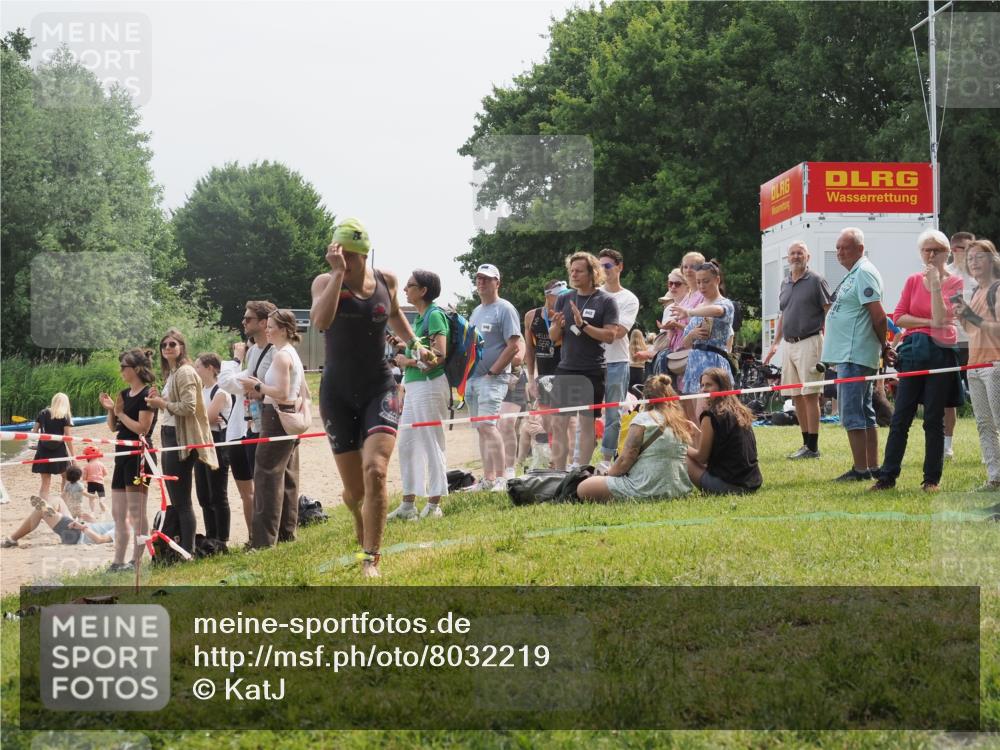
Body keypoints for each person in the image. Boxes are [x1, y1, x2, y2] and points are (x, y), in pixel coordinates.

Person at [310, 218, 427, 577]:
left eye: (351, 256)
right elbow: (319, 321)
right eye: (339, 254)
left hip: (380, 386)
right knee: (354, 492)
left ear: (365, 254)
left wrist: (416, 343)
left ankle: (370, 558)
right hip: (337, 392)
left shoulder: (386, 281)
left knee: (375, 471)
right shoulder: (325, 282)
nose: (345, 261)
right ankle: (360, 522)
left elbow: (394, 316)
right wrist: (336, 275)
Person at [871, 230, 964, 492]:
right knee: (901, 417)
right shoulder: (912, 280)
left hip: (941, 352)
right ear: (921, 253)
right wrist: (926, 323)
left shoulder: (955, 283)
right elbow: (899, 317)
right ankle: (887, 477)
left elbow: (944, 316)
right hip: (913, 353)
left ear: (947, 253)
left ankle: (931, 479)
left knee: (933, 419)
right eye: (927, 250)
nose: (931, 254)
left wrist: (935, 286)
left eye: (936, 249)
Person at [820, 227, 889, 482]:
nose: (839, 252)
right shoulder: (855, 273)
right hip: (851, 353)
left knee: (852, 412)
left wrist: (884, 345)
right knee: (865, 410)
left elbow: (879, 316)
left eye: (845, 247)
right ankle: (870, 466)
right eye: (837, 247)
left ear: (860, 248)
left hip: (855, 354)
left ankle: (861, 470)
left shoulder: (864, 273)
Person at [145, 328, 218, 555]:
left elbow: (189, 408)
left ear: (181, 347)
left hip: (180, 437)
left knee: (182, 500)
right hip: (170, 435)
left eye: (172, 344)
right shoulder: (173, 373)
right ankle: (182, 547)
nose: (168, 348)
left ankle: (188, 550)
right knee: (177, 499)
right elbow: (175, 404)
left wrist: (162, 404)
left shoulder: (185, 372)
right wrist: (160, 399)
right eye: (164, 345)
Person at [239, 310, 306, 547]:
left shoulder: (281, 356)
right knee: (287, 476)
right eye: (266, 325)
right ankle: (287, 534)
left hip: (276, 417)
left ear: (285, 329)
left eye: (272, 326)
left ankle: (264, 541)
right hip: (286, 417)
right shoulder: (290, 353)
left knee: (266, 477)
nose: (267, 329)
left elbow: (281, 391)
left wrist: (256, 385)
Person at [387, 269, 450, 521]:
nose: (405, 289)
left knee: (431, 441)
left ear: (423, 291)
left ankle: (435, 504)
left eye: (410, 285)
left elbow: (440, 356)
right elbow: (422, 350)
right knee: (408, 443)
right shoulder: (420, 318)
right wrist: (404, 348)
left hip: (430, 385)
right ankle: (408, 504)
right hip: (415, 386)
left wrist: (406, 361)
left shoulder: (434, 315)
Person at [549, 252, 620, 470]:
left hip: (592, 370)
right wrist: (556, 326)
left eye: (579, 270)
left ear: (592, 273)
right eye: (571, 270)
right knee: (559, 423)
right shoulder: (564, 298)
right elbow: (554, 337)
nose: (574, 274)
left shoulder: (606, 300)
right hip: (566, 368)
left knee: (586, 424)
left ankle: (581, 471)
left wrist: (583, 325)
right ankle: (559, 473)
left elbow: (610, 335)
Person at [764, 241, 833, 459]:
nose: (795, 256)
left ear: (807, 257)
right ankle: (805, 445)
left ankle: (813, 447)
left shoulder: (816, 281)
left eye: (799, 253)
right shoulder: (785, 283)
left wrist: (830, 344)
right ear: (788, 258)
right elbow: (784, 315)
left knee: (810, 395)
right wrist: (776, 343)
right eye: (792, 253)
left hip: (810, 341)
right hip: (789, 344)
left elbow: (828, 312)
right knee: (796, 396)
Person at [576, 374, 694, 501]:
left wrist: (607, 475)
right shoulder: (680, 422)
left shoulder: (643, 419)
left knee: (584, 487)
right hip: (678, 490)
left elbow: (625, 460)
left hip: (646, 488)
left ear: (644, 397)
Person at [218, 300, 278, 536]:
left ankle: (267, 534)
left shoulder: (276, 352)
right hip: (244, 426)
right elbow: (237, 385)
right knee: (246, 490)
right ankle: (254, 536)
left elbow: (229, 382)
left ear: (264, 323)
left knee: (266, 486)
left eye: (248, 319)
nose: (243, 322)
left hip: (265, 425)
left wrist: (234, 360)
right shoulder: (253, 351)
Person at [98, 348, 157, 571]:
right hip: (122, 454)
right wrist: (112, 411)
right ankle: (117, 561)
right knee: (118, 512)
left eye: (124, 366)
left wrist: (121, 413)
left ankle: (137, 560)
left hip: (139, 456)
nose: (121, 370)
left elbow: (143, 429)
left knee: (136, 511)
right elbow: (114, 427)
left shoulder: (147, 395)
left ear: (136, 369)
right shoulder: (123, 394)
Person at [466, 263, 523, 490]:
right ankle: (488, 478)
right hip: (473, 378)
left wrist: (493, 372)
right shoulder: (475, 311)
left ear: (497, 283)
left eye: (487, 279)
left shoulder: (505, 309)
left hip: (493, 378)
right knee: (481, 428)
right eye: (479, 278)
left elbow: (513, 346)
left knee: (489, 426)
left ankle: (501, 478)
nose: (481, 282)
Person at [954, 239, 1000, 491]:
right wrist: (964, 316)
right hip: (975, 364)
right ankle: (995, 477)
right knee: (984, 424)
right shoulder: (976, 292)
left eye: (979, 257)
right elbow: (973, 330)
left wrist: (971, 316)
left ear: (991, 259)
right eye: (970, 259)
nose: (973, 263)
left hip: (995, 364)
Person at [671, 261, 735, 420]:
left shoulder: (725, 303)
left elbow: (717, 311)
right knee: (692, 417)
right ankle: (699, 445)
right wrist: (692, 334)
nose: (701, 286)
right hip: (693, 364)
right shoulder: (699, 306)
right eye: (698, 282)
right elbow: (685, 343)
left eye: (706, 281)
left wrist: (689, 312)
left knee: (710, 414)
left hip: (713, 363)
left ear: (717, 280)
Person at [597, 248, 641, 473]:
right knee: (586, 412)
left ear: (619, 267)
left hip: (617, 361)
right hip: (591, 362)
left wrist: (588, 328)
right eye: (600, 266)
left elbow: (619, 332)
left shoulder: (628, 298)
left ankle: (607, 460)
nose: (603, 270)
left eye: (607, 266)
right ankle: (581, 459)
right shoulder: (593, 294)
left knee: (613, 413)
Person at [686, 368, 763, 495]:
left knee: (683, 457)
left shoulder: (710, 415)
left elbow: (702, 457)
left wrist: (682, 447)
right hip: (751, 483)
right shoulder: (740, 411)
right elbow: (720, 444)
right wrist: (696, 432)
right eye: (702, 385)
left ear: (721, 387)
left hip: (730, 486)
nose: (704, 389)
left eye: (709, 385)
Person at [2, 465, 101, 547]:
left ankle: (12, 539)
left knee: (41, 508)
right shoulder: (113, 527)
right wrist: (92, 521)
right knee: (57, 501)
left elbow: (101, 539)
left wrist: (87, 526)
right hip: (81, 530)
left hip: (79, 534)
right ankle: (49, 513)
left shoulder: (113, 531)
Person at [193, 353, 233, 542]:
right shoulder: (201, 390)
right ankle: (211, 535)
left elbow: (207, 418)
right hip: (201, 442)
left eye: (198, 367)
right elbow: (201, 418)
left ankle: (222, 538)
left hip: (217, 443)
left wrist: (201, 418)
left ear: (210, 368)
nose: (196, 371)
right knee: (203, 494)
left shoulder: (221, 391)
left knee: (217, 493)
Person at [944, 231, 976, 459]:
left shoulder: (980, 276)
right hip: (953, 342)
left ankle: (989, 447)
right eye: (967, 249)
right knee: (949, 397)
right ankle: (947, 447)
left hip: (977, 343)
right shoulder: (945, 275)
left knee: (985, 396)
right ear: (955, 250)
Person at [30, 392, 72, 500]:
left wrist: (34, 432)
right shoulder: (65, 415)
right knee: (66, 477)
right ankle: (63, 503)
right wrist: (73, 456)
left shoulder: (43, 413)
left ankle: (43, 508)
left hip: (43, 449)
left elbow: (34, 433)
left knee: (45, 482)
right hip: (59, 450)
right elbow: (68, 438)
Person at [81, 446, 108, 516]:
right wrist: (100, 477)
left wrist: (85, 481)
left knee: (91, 498)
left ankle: (92, 511)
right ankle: (102, 503)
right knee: (102, 496)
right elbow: (106, 473)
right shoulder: (101, 464)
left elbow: (84, 477)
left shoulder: (87, 466)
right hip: (100, 483)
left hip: (90, 484)